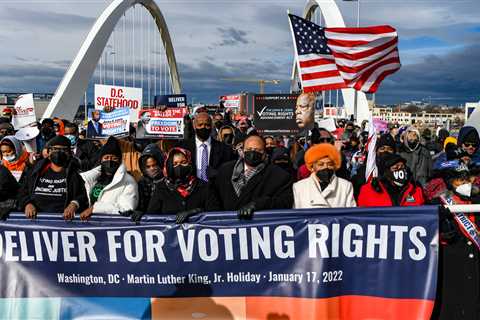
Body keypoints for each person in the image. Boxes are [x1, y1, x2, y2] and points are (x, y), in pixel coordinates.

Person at [428, 161, 480, 320]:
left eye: (466, 178)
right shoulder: (437, 204)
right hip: (451, 269)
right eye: (459, 179)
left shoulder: (477, 200)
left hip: (475, 268)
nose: (465, 182)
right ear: (450, 182)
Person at [213, 135, 293, 219]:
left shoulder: (279, 176)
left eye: (258, 150)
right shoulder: (225, 170)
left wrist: (258, 204)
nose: (253, 153)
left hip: (259, 226)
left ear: (264, 153)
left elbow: (285, 202)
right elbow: (215, 197)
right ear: (242, 151)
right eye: (249, 149)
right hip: (227, 226)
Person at [18, 135, 88, 220]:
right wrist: (27, 204)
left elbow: (83, 196)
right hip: (35, 221)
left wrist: (74, 204)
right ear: (48, 152)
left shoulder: (75, 173)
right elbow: (22, 192)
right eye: (54, 149)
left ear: (69, 153)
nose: (58, 152)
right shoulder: (35, 171)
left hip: (63, 222)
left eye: (63, 149)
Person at [146, 148, 220, 223]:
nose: (179, 167)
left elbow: (215, 214)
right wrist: (140, 214)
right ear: (169, 166)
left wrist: (195, 212)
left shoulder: (204, 187)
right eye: (175, 164)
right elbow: (151, 216)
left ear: (190, 163)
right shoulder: (161, 188)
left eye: (183, 162)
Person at [80, 136, 138, 219]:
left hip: (110, 227)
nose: (109, 161)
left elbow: (126, 209)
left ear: (120, 161)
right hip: (87, 224)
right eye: (106, 158)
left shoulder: (128, 182)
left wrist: (95, 209)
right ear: (101, 160)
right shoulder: (91, 178)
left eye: (114, 158)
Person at [293, 143, 356, 208]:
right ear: (312, 167)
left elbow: (351, 214)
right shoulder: (299, 187)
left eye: (330, 164)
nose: (325, 167)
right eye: (321, 164)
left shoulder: (345, 186)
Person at [177, 112, 235, 182]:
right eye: (200, 125)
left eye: (207, 125)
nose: (203, 127)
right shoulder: (183, 147)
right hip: (191, 190)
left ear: (211, 125)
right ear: (194, 126)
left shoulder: (225, 149)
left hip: (214, 189)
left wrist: (218, 173)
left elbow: (229, 173)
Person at [358, 153, 425, 207]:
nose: (400, 171)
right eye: (395, 168)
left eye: (402, 167)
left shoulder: (415, 190)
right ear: (385, 171)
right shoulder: (368, 190)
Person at [137, 143, 165, 213]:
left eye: (154, 165)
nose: (152, 169)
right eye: (148, 167)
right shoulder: (142, 183)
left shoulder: (169, 181)